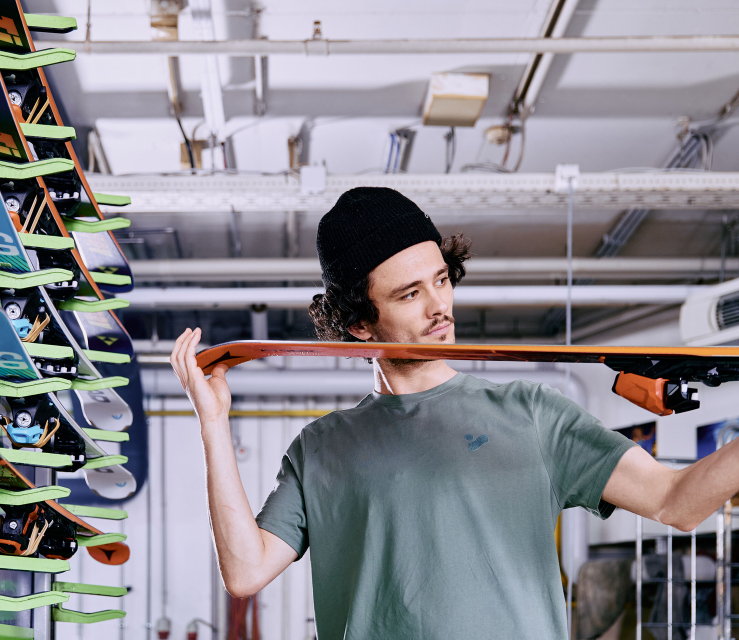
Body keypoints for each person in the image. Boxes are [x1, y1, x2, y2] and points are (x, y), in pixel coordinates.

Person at [169, 187, 736, 639]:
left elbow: (677, 502)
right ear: (360, 324)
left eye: (441, 279)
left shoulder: (533, 414)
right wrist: (213, 423)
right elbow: (244, 573)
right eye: (410, 294)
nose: (441, 306)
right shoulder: (320, 448)